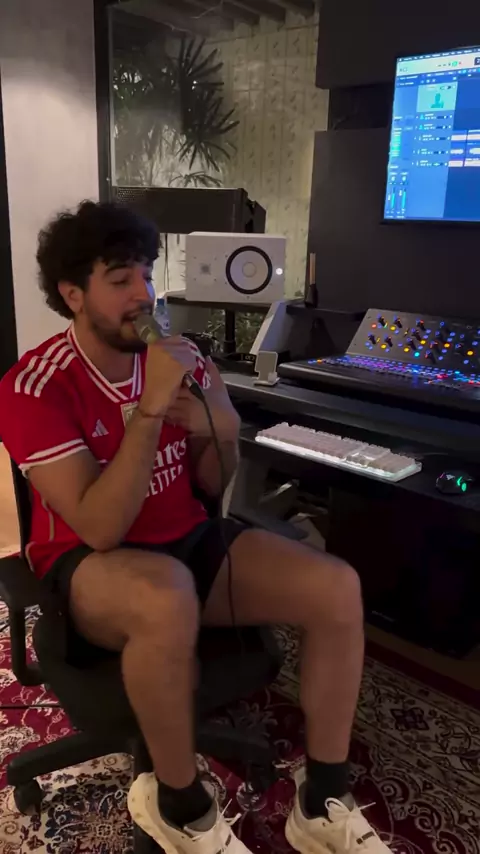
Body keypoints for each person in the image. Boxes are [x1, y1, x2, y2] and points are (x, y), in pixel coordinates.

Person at [0, 201, 392, 854]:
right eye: (120, 279)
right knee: (166, 595)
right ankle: (180, 806)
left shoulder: (183, 360)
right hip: (91, 567)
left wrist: (224, 428)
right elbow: (99, 527)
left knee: (337, 588)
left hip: (185, 542)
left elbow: (211, 487)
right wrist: (151, 409)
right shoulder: (33, 386)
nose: (143, 294)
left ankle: (322, 800)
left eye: (146, 273)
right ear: (73, 295)